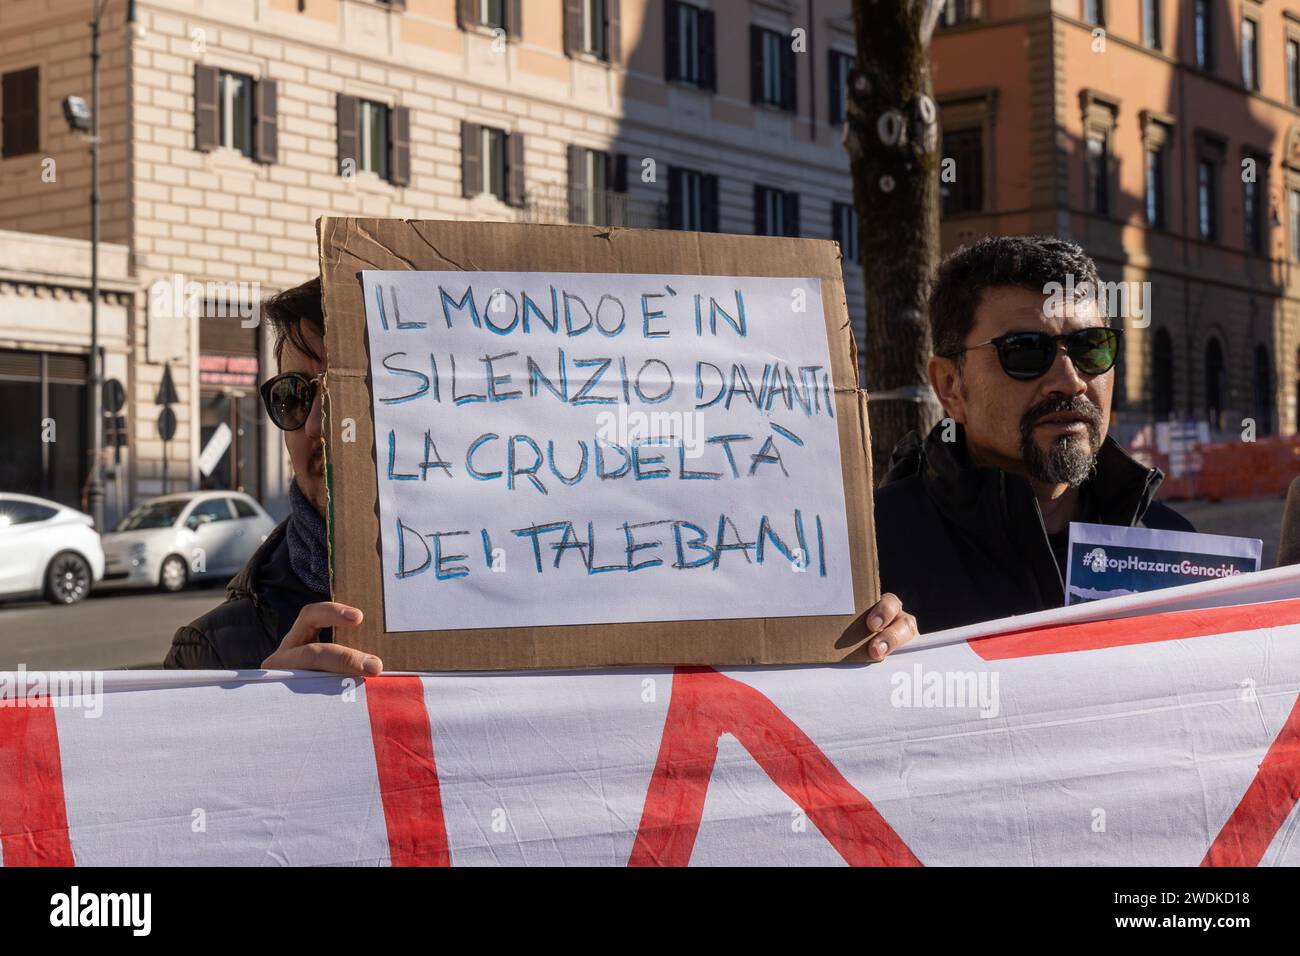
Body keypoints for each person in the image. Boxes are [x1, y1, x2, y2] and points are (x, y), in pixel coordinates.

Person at [166, 278, 919, 672]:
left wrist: (850, 646)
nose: (326, 427)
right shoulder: (215, 654)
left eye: (360, 392)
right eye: (298, 396)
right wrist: (262, 720)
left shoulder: (589, 585)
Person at [875, 235, 1193, 634]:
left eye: (1090, 347)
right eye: (1025, 351)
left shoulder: (1177, 549)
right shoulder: (868, 561)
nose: (1070, 381)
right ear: (950, 385)